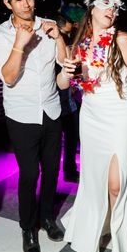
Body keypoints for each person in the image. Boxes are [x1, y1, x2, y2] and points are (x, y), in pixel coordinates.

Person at [59, 0, 127, 252]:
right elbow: (73, 84)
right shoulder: (81, 44)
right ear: (92, 10)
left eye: (114, 5)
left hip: (121, 112)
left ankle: (118, 239)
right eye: (105, 4)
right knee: (95, 178)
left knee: (116, 182)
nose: (110, 9)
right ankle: (100, 225)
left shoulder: (122, 40)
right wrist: (70, 71)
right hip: (92, 114)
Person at [0, 0, 66, 252]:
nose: (26, 4)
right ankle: (27, 227)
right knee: (28, 173)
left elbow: (65, 63)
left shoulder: (49, 25)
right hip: (21, 116)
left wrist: (59, 37)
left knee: (51, 170)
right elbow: (8, 77)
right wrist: (20, 44)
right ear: (7, 2)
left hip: (51, 109)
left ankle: (47, 218)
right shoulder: (0, 36)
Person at [55, 13, 80, 182]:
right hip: (55, 98)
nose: (67, 36)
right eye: (65, 33)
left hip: (68, 97)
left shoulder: (65, 41)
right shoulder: (52, 43)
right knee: (57, 140)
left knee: (72, 136)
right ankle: (55, 172)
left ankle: (70, 170)